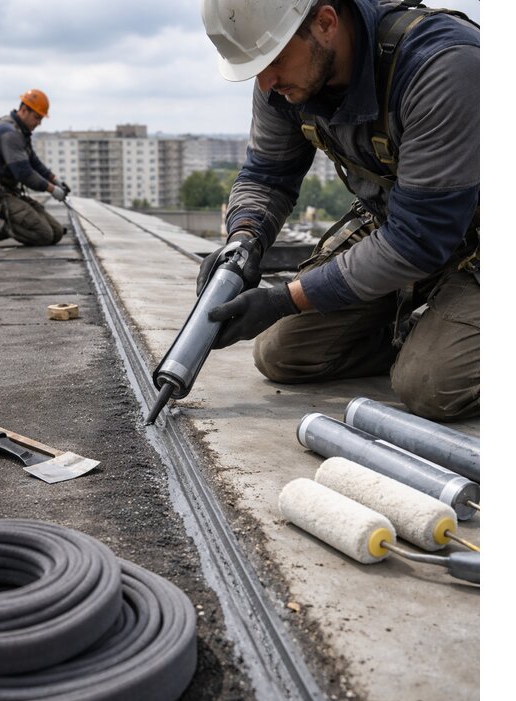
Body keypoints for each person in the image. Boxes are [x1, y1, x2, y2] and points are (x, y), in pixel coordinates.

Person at [199, 0, 479, 421]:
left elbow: (417, 239)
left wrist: (284, 299)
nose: (264, 83)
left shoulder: (441, 66)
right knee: (281, 353)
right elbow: (267, 177)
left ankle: (441, 348)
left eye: (271, 60)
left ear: (326, 22)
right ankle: (425, 336)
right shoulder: (284, 81)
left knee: (429, 387)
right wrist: (243, 243)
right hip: (405, 225)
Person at [0, 89, 70, 248]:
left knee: (56, 233)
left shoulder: (20, 131)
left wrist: (56, 180)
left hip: (7, 192)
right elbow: (24, 173)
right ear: (24, 111)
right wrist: (51, 189)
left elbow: (34, 163)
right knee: (44, 235)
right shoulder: (9, 133)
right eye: (37, 117)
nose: (39, 123)